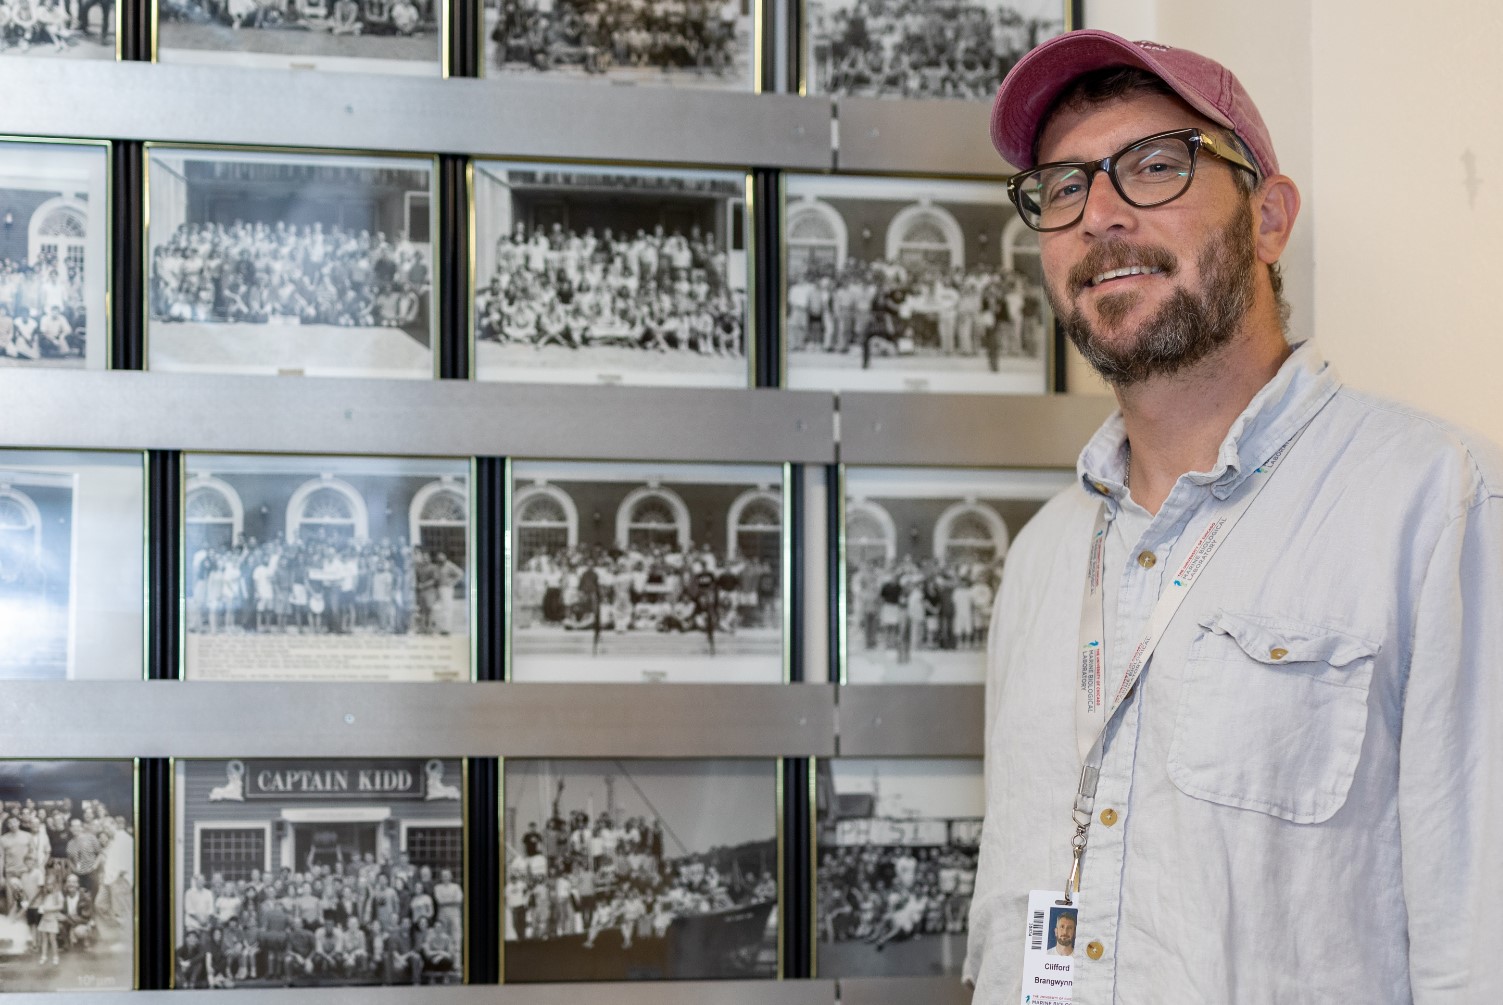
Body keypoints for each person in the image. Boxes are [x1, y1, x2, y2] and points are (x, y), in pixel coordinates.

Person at [965, 29, 1503, 1004]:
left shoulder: (1442, 506)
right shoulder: (1044, 559)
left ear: (1268, 218)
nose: (1101, 216)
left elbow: (1481, 949)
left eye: (1156, 166)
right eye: (1062, 187)